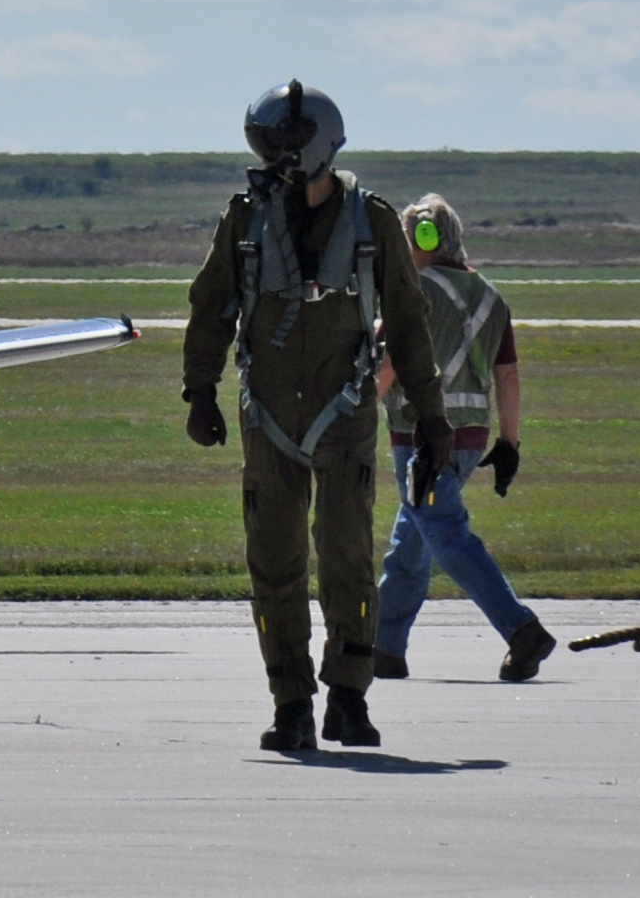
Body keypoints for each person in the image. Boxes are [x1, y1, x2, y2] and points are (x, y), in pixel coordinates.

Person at [179, 81, 453, 756]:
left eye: (282, 147)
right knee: (273, 565)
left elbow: (410, 323)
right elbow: (212, 305)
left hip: (346, 412)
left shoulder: (373, 223)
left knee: (347, 560)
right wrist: (200, 392)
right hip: (267, 415)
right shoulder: (244, 222)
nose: (273, 161)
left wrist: (433, 415)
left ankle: (349, 698)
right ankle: (292, 704)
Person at [372, 193, 556, 684]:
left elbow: (388, 367)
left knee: (447, 537)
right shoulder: (492, 297)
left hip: (421, 437)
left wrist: (357, 406)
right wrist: (510, 443)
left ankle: (523, 631)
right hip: (472, 439)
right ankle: (383, 648)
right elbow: (508, 374)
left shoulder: (411, 292)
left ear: (421, 239)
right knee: (412, 541)